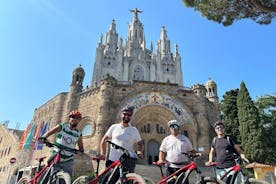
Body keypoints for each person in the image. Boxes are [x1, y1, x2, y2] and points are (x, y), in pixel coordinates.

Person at [39, 110, 84, 182]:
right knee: (52, 178)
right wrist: (43, 138)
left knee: (67, 179)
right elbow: (49, 132)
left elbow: (81, 147)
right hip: (57, 156)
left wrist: (80, 152)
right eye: (73, 117)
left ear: (79, 121)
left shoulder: (78, 134)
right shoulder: (63, 126)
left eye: (77, 118)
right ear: (70, 118)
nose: (74, 119)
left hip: (68, 159)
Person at [100, 105, 143, 173]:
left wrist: (139, 151)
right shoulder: (114, 127)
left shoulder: (134, 130)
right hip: (113, 161)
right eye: (124, 114)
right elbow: (104, 140)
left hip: (127, 162)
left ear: (131, 117)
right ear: (121, 114)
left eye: (129, 115)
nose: (126, 116)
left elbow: (140, 143)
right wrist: (102, 153)